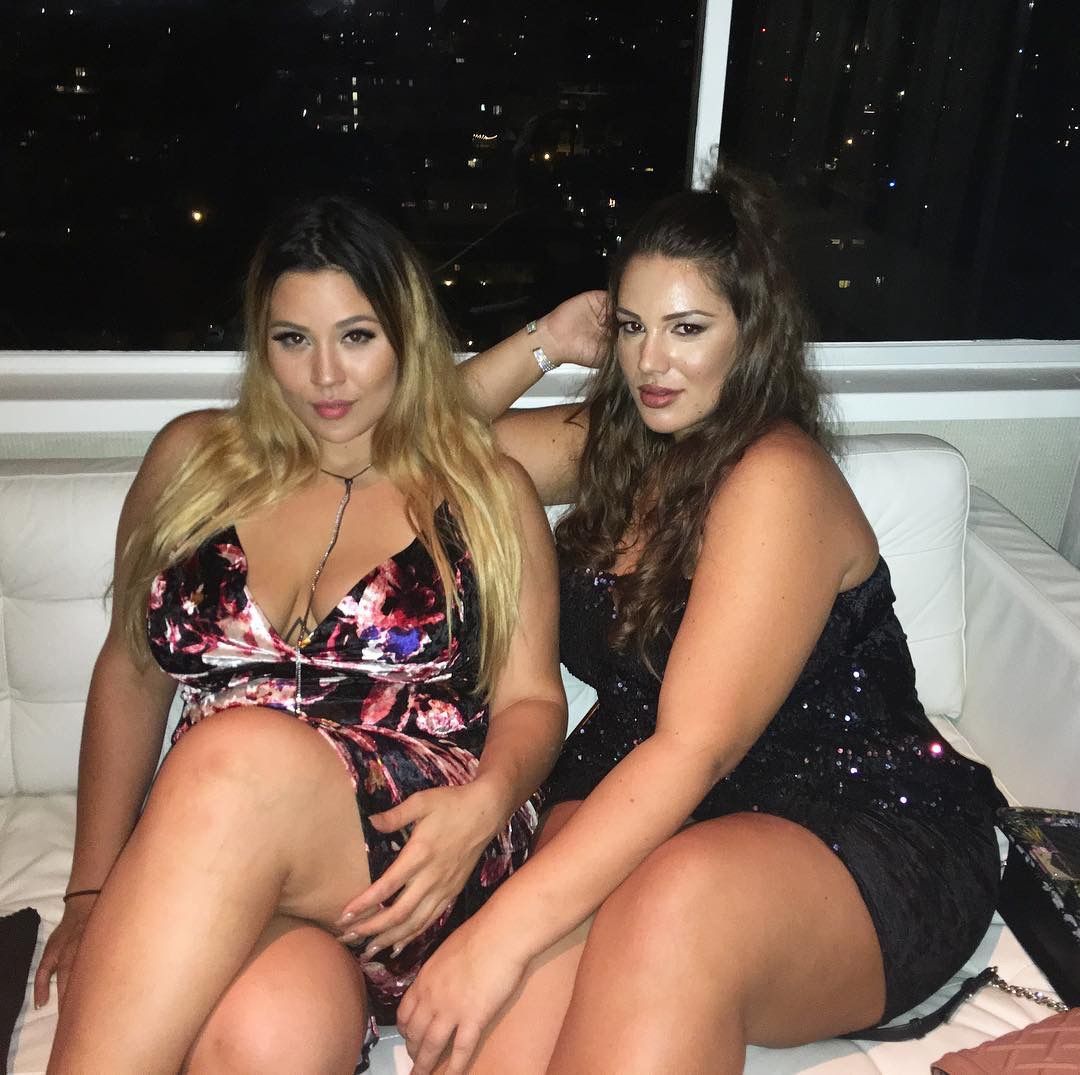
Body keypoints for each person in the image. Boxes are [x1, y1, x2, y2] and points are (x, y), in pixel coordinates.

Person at [365, 165, 1005, 1073]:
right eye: (632, 327)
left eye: (688, 328)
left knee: (668, 903)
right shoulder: (619, 443)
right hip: (637, 778)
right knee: (493, 1036)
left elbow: (692, 747)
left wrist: (494, 933)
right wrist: (546, 341)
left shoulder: (776, 479)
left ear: (754, 333)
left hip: (848, 812)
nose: (650, 362)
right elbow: (411, 451)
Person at [35, 196, 567, 1074]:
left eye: (357, 337)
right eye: (293, 340)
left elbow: (534, 701)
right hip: (229, 860)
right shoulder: (193, 462)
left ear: (407, 336)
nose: (325, 375)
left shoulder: (484, 490)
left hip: (418, 854)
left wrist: (483, 808)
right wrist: (91, 887)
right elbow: (132, 671)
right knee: (268, 1033)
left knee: (234, 755)